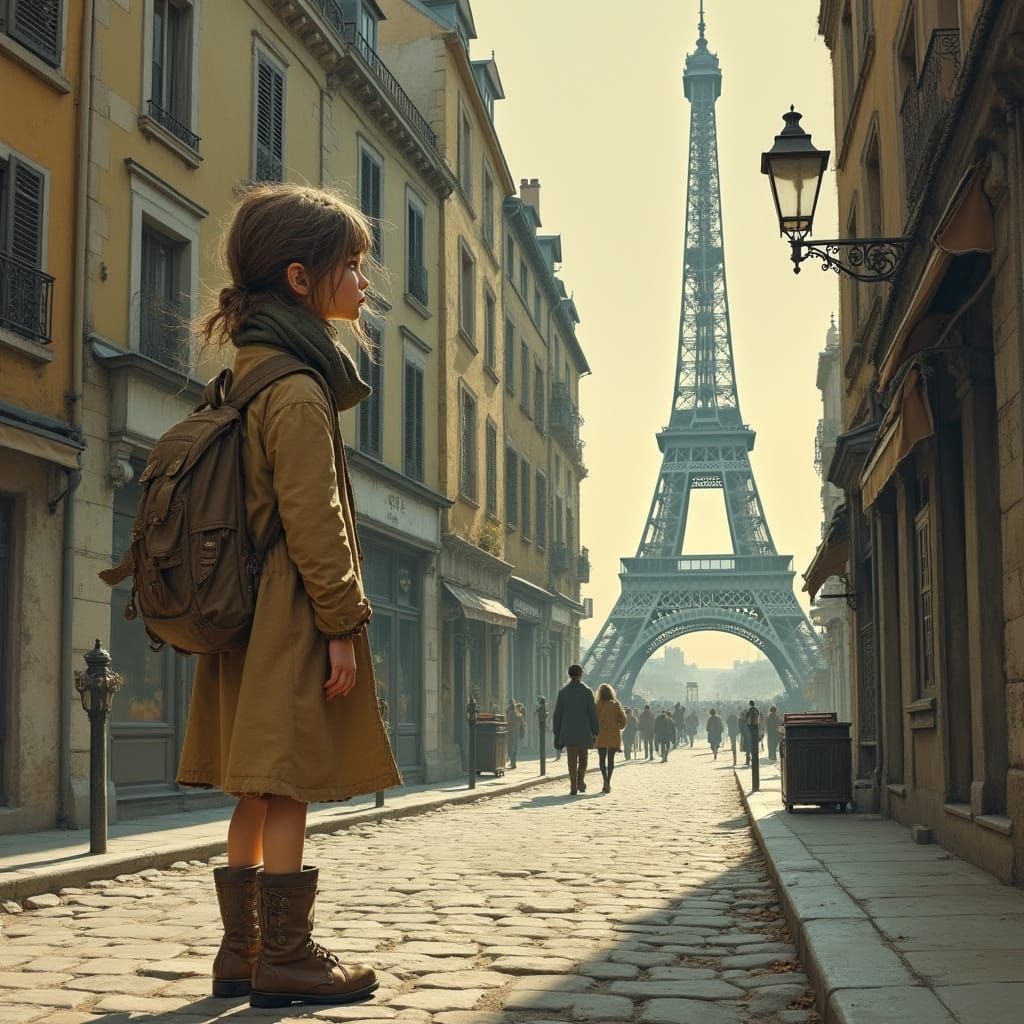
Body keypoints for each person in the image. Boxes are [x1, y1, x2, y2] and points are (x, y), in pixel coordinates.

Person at [174, 185, 401, 1009]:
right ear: (302, 279)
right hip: (287, 607)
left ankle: (240, 951)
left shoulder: (244, 374)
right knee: (287, 779)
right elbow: (317, 520)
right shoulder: (299, 389)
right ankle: (289, 956)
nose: (365, 282)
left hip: (243, 608)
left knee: (254, 784)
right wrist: (342, 624)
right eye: (353, 265)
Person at [553, 665, 598, 795]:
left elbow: (557, 715)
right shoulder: (587, 692)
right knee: (583, 759)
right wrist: (595, 730)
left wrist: (557, 733)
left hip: (568, 731)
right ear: (581, 674)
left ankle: (573, 785)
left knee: (571, 760)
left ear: (569, 674)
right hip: (584, 730)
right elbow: (592, 713)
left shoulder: (563, 692)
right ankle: (580, 780)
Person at [594, 684, 627, 793]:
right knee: (611, 760)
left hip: (601, 734)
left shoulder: (598, 705)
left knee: (602, 760)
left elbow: (593, 720)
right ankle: (608, 781)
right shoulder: (616, 704)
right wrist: (618, 727)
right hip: (613, 735)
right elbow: (623, 721)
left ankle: (604, 780)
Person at [506, 698, 525, 769]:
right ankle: (513, 762)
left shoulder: (510, 713)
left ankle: (513, 762)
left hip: (511, 733)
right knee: (514, 748)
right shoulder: (517, 714)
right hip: (515, 734)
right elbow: (523, 723)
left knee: (511, 748)